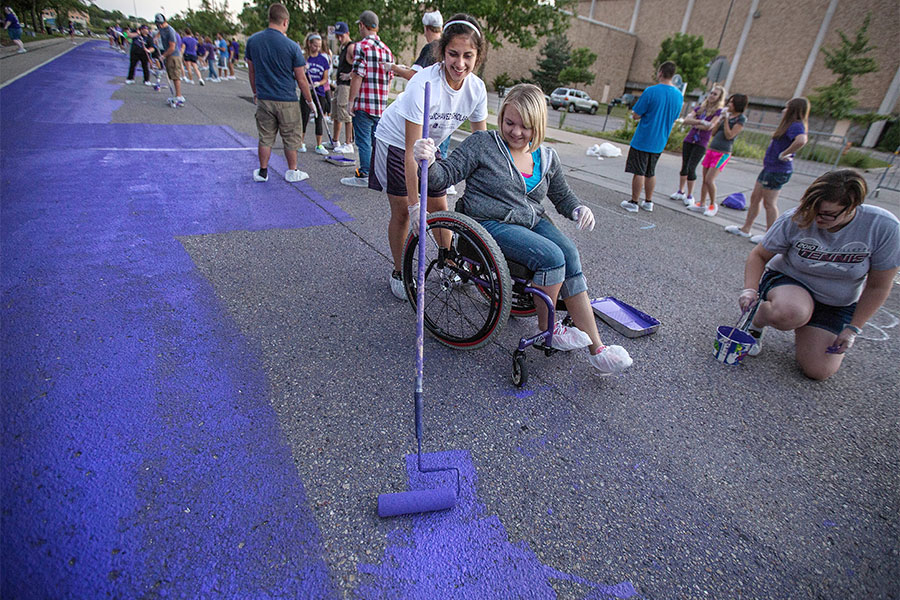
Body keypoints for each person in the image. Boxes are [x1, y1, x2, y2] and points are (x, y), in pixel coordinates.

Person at [415, 83, 634, 375]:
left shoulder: (547, 157)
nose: (516, 132)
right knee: (552, 256)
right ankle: (549, 330)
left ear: (538, 126)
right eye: (509, 122)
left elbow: (562, 195)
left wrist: (578, 208)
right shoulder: (483, 144)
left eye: (525, 126)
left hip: (529, 221)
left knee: (568, 252)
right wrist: (428, 161)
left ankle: (597, 349)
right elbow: (445, 176)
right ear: (501, 116)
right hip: (487, 224)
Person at [737, 170, 900, 380]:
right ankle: (757, 321)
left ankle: (809, 326)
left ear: (852, 208)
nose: (817, 218)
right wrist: (750, 290)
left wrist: (853, 328)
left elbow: (878, 285)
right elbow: (759, 255)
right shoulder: (797, 217)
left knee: (818, 371)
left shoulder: (883, 227)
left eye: (828, 214)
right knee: (792, 311)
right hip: (791, 282)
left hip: (837, 302)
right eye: (814, 210)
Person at [372, 13, 488, 299]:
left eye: (468, 56)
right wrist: (414, 206)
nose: (460, 64)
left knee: (438, 203)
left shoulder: (476, 89)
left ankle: (449, 261)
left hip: (428, 145)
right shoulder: (424, 85)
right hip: (396, 142)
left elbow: (481, 144)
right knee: (402, 211)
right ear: (442, 51)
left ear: (478, 56)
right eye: (453, 54)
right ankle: (400, 270)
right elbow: (410, 150)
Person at [245, 2, 317, 183]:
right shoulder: (292, 46)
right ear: (285, 21)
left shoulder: (253, 41)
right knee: (290, 136)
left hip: (264, 97)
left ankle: (263, 171)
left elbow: (251, 71)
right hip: (287, 99)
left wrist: (255, 92)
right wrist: (309, 101)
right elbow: (301, 79)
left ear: (270, 18)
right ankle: (292, 171)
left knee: (265, 136)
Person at [389, 10, 457, 197]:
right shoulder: (437, 51)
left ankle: (439, 180)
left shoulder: (430, 48)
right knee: (432, 147)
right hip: (435, 107)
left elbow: (413, 75)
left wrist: (395, 68)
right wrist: (414, 205)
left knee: (428, 147)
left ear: (426, 29)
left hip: (432, 109)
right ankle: (438, 181)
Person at [726, 97, 810, 243]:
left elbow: (801, 140)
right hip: (770, 168)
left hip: (778, 170)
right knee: (755, 198)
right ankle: (746, 228)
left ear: (793, 110)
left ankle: (771, 236)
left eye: (787, 107)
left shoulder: (796, 125)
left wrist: (785, 153)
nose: (784, 110)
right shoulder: (789, 125)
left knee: (769, 203)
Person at [340, 10, 394, 188]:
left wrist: (351, 102)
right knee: (375, 142)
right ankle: (376, 174)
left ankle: (364, 174)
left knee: (363, 141)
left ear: (362, 25)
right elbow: (389, 78)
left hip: (363, 103)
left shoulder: (361, 47)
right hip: (380, 105)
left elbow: (358, 75)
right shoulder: (387, 50)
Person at [621, 61, 682, 213]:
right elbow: (675, 117)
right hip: (660, 140)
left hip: (644, 138)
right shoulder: (678, 95)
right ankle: (648, 201)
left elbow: (636, 114)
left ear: (660, 72)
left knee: (639, 171)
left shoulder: (651, 91)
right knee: (650, 171)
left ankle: (634, 201)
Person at [670, 85, 724, 210]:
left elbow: (710, 126)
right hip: (690, 139)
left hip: (701, 142)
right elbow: (687, 120)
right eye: (711, 93)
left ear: (719, 98)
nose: (712, 95)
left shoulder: (718, 112)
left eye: (715, 94)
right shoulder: (701, 108)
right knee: (684, 166)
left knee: (691, 167)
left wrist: (697, 124)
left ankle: (689, 195)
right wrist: (700, 122)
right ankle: (680, 191)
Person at [693, 93, 748, 216]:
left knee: (709, 179)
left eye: (732, 102)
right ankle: (702, 204)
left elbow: (730, 135)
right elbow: (713, 132)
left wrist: (727, 120)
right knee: (704, 179)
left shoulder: (740, 119)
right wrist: (720, 119)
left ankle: (713, 204)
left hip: (723, 152)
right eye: (729, 101)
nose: (729, 104)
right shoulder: (725, 115)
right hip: (712, 148)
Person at [300, 32, 330, 155]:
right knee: (304, 117)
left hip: (319, 93)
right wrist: (304, 70)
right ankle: (300, 142)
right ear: (309, 44)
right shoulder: (304, 58)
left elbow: (325, 78)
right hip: (306, 92)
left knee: (319, 118)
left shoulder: (323, 60)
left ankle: (319, 145)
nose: (317, 48)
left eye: (319, 46)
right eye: (315, 45)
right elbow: (299, 75)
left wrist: (318, 83)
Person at [330, 21, 355, 153]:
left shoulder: (351, 47)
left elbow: (359, 65)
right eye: (337, 36)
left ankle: (348, 143)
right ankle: (335, 140)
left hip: (346, 86)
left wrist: (349, 75)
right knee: (336, 113)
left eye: (341, 36)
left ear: (347, 34)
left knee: (345, 114)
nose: (339, 38)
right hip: (339, 85)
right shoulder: (343, 47)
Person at [155, 14, 185, 106]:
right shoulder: (161, 29)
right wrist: (156, 37)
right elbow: (159, 32)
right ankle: (176, 95)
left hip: (174, 55)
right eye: (157, 24)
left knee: (175, 76)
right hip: (168, 55)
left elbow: (172, 47)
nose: (159, 26)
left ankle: (179, 96)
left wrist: (163, 56)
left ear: (164, 21)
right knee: (171, 75)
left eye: (160, 24)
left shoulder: (170, 31)